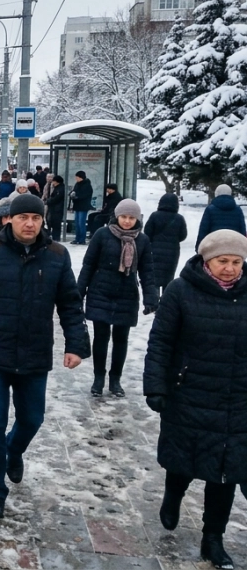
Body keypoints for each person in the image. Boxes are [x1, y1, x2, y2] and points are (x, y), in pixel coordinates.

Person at [0, 194, 89, 521]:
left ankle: (14, 451)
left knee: (32, 419)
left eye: (36, 218)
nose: (30, 223)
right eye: (23, 217)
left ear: (43, 221)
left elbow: (70, 304)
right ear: (9, 220)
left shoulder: (56, 255)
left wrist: (76, 344)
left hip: (34, 354)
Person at [143, 229, 247, 570]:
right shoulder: (180, 291)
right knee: (183, 460)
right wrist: (156, 386)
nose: (230, 269)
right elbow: (161, 342)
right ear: (206, 260)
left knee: (226, 473)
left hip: (237, 400)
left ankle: (212, 539)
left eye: (236, 262)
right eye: (222, 261)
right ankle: (174, 494)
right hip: (188, 394)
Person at [76, 199, 157, 397]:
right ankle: (98, 378)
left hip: (126, 294)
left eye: (131, 218)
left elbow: (147, 271)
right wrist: (79, 292)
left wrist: (151, 298)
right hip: (101, 290)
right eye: (124, 217)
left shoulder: (142, 240)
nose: (127, 221)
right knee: (101, 337)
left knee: (121, 339)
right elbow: (88, 264)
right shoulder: (102, 235)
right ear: (116, 216)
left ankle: (115, 379)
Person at [143, 193, 188, 298]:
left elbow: (147, 232)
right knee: (168, 277)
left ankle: (154, 300)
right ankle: (166, 300)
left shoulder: (154, 216)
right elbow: (183, 235)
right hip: (172, 252)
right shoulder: (179, 218)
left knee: (155, 276)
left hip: (155, 250)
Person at [195, 184, 246, 250]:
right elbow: (242, 229)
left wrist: (199, 246)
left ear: (216, 193)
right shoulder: (238, 210)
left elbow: (204, 229)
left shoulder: (210, 209)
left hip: (214, 245)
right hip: (234, 246)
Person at [69, 171, 94, 244]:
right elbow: (74, 191)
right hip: (77, 206)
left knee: (81, 223)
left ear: (81, 177)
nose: (76, 178)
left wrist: (76, 197)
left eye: (77, 177)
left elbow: (85, 195)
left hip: (83, 206)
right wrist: (71, 194)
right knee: (76, 223)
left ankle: (82, 239)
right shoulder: (77, 184)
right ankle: (77, 238)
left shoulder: (87, 185)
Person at [44, 175, 66, 242]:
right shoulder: (57, 188)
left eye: (53, 181)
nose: (52, 182)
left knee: (56, 223)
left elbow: (56, 198)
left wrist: (48, 201)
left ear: (57, 182)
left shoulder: (60, 189)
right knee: (52, 222)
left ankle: (56, 237)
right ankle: (54, 236)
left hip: (57, 209)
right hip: (54, 208)